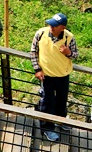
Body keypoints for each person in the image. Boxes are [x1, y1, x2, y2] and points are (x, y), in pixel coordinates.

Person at [30, 13, 78, 142]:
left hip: (63, 75)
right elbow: (33, 52)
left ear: (62, 27)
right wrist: (37, 69)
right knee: (47, 102)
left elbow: (75, 55)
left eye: (55, 25)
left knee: (62, 100)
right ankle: (47, 128)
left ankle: (61, 120)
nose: (51, 27)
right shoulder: (40, 33)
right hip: (46, 76)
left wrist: (69, 53)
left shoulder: (69, 38)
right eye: (50, 24)